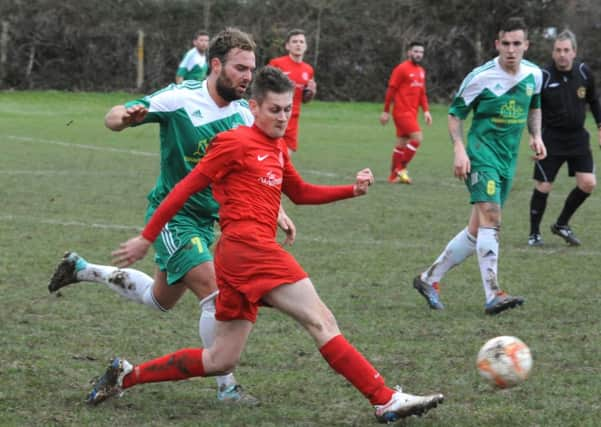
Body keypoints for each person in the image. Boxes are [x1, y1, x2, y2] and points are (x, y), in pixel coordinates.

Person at [85, 67, 444, 423]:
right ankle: (383, 399)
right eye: (275, 109)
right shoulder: (234, 142)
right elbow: (184, 188)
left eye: (288, 109)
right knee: (321, 321)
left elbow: (300, 193)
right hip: (250, 250)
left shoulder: (278, 148)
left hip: (240, 257)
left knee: (220, 359)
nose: (283, 117)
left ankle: (127, 375)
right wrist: (147, 237)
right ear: (254, 107)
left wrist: (351, 190)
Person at [48, 28, 296, 403]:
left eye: (251, 68)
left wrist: (276, 207)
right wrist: (126, 117)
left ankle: (83, 269)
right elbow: (113, 116)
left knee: (158, 299)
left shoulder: (245, 113)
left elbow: (253, 168)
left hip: (209, 222)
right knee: (217, 293)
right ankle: (226, 386)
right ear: (216, 65)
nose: (248, 76)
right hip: (173, 217)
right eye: (240, 67)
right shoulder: (182, 97)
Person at [412, 17, 546, 315]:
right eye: (506, 44)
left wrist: (536, 136)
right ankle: (493, 293)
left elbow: (534, 105)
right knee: (492, 216)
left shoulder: (535, 75)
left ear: (527, 45)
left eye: (517, 44)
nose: (511, 50)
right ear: (497, 44)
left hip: (507, 160)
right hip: (481, 155)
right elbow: (455, 114)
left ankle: (428, 279)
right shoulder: (480, 77)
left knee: (477, 230)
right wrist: (460, 149)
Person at [527, 30, 601, 247]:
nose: (562, 55)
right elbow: (532, 109)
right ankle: (534, 234)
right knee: (543, 186)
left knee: (588, 183)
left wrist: (599, 125)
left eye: (566, 50)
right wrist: (534, 136)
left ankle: (561, 224)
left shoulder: (584, 72)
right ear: (553, 52)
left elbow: (594, 101)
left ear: (574, 52)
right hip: (551, 138)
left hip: (578, 137)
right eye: (558, 50)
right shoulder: (544, 76)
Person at [380, 41, 432, 184]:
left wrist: (426, 111)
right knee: (417, 138)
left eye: (421, 52)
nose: (418, 54)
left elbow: (422, 93)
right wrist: (386, 111)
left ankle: (393, 176)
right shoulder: (401, 69)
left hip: (412, 112)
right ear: (409, 52)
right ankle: (400, 169)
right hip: (401, 112)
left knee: (401, 144)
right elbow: (391, 90)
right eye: (416, 51)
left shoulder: (421, 71)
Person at [268, 29, 316, 154]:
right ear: (287, 46)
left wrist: (310, 93)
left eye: (301, 42)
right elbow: (265, 88)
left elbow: (305, 99)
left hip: (293, 120)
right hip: (275, 117)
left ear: (305, 46)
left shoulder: (308, 70)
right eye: (294, 42)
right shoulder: (277, 63)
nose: (298, 44)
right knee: (270, 156)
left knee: (285, 159)